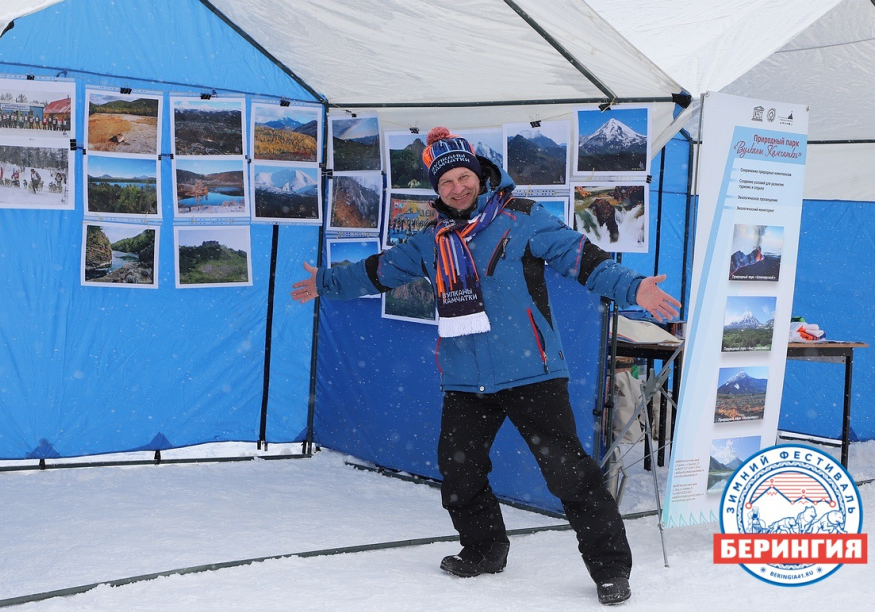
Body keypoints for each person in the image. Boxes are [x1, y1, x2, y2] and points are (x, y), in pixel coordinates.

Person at [291, 126, 680, 606]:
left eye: (462, 177)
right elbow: (380, 271)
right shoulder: (433, 239)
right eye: (445, 183)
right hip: (465, 378)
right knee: (459, 471)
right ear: (437, 190)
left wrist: (634, 287)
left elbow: (583, 259)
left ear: (479, 174)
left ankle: (610, 569)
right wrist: (327, 282)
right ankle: (484, 550)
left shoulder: (522, 219)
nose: (456, 188)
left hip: (532, 370)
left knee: (569, 475)